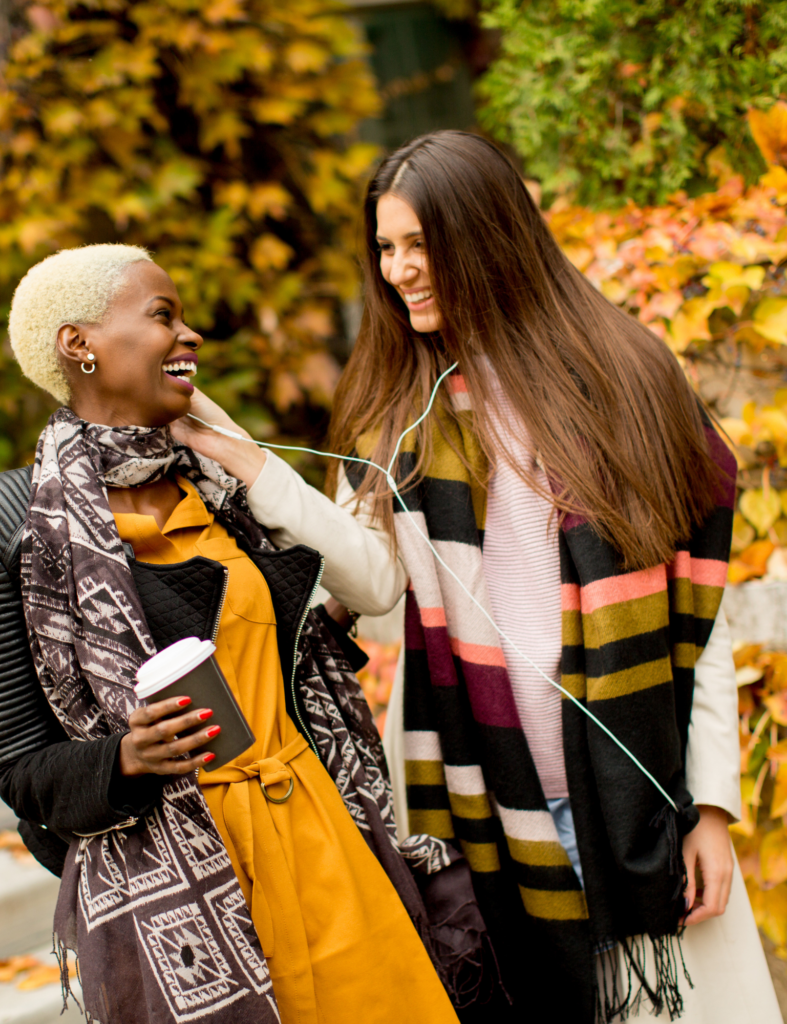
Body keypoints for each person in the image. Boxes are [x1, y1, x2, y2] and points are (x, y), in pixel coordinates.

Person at [171, 132, 782, 1024]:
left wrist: (715, 811)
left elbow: (701, 615)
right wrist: (247, 461)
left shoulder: (626, 381)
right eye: (386, 248)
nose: (400, 270)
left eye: (422, 245)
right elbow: (372, 584)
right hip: (485, 818)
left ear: (488, 236)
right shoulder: (396, 408)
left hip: (645, 806)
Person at [0, 244, 473, 1024]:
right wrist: (127, 756)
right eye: (162, 317)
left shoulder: (222, 484)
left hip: (327, 835)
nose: (189, 336)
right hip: (184, 883)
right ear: (77, 344)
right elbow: (20, 766)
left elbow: (375, 586)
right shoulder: (0, 529)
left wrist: (247, 458)